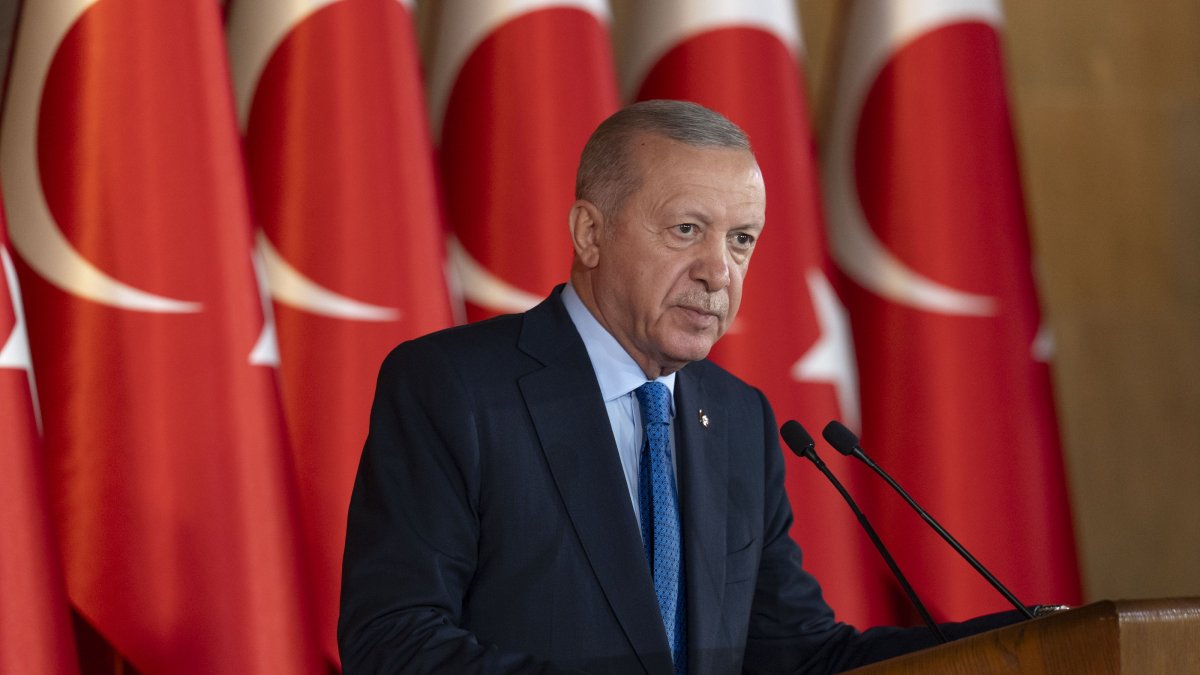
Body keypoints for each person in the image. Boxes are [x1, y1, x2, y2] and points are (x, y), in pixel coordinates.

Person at [338, 100, 1023, 674]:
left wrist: (1028, 644)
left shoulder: (738, 418)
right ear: (590, 233)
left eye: (742, 239)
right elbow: (396, 639)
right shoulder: (454, 387)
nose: (718, 271)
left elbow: (797, 657)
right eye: (687, 229)